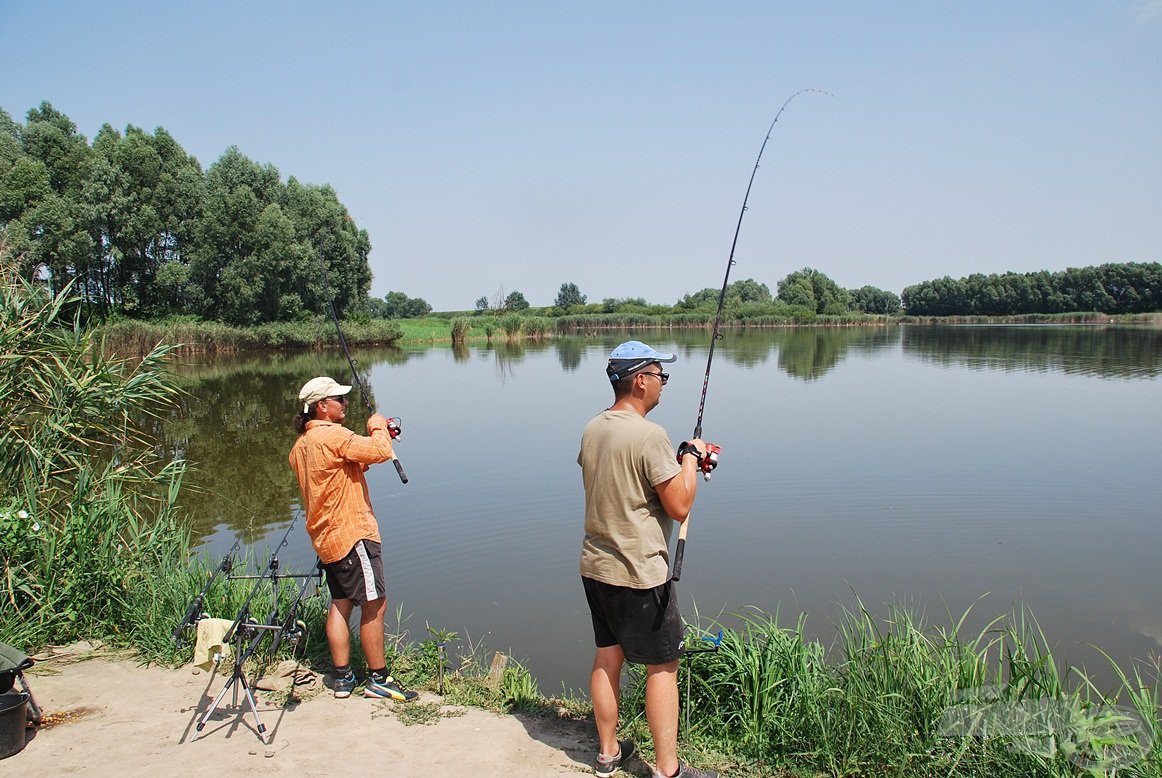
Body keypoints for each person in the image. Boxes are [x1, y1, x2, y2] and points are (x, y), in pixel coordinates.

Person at [578, 342, 717, 778]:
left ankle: (607, 753)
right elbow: (678, 505)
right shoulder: (649, 434)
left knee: (607, 658)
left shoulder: (594, 427)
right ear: (640, 380)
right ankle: (668, 771)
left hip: (596, 567)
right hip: (640, 573)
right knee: (662, 667)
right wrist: (692, 461)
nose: (663, 384)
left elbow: (628, 481)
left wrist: (678, 466)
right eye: (661, 375)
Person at [289, 376, 417, 702]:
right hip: (353, 535)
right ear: (323, 406)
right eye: (340, 400)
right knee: (375, 602)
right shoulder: (333, 435)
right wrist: (377, 426)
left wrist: (372, 443)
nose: (345, 404)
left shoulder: (302, 446)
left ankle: (343, 678)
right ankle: (379, 678)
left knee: (341, 602)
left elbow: (345, 468)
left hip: (327, 539)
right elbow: (378, 451)